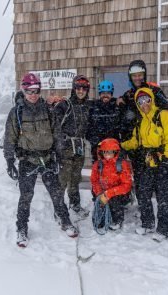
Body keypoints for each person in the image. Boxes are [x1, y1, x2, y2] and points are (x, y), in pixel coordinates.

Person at [3, 73, 79, 247]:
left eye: (36, 90)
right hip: (27, 159)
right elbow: (9, 137)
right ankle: (21, 229)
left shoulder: (47, 109)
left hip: (47, 158)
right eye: (29, 91)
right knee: (26, 196)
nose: (33, 94)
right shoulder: (17, 112)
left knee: (56, 193)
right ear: (24, 90)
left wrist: (59, 155)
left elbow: (57, 133)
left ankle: (65, 220)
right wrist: (9, 160)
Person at [121, 87, 168, 242]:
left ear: (151, 100)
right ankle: (147, 223)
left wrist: (166, 156)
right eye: (140, 101)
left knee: (163, 197)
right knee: (143, 193)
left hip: (166, 163)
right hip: (150, 163)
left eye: (146, 99)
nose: (144, 103)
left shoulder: (163, 115)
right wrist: (121, 146)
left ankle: (162, 230)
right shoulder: (141, 121)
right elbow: (136, 141)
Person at [53, 75, 92, 218]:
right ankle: (58, 209)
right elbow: (54, 125)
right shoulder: (65, 105)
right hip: (65, 147)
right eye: (78, 88)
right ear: (73, 89)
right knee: (62, 180)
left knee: (75, 179)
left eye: (84, 88)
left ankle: (75, 204)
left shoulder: (87, 106)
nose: (81, 91)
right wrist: (57, 146)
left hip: (79, 146)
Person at [86, 80, 133, 162]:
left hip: (115, 147)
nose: (105, 95)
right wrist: (95, 142)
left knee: (116, 172)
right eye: (103, 93)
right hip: (98, 148)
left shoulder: (117, 105)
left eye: (108, 93)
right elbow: (88, 128)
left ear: (111, 94)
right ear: (100, 94)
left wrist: (120, 143)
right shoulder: (93, 107)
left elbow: (126, 123)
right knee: (99, 172)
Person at [90, 138, 132, 230]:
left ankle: (117, 220)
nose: (107, 154)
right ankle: (102, 214)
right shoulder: (97, 164)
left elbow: (127, 185)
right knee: (99, 222)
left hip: (118, 194)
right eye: (105, 152)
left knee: (114, 201)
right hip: (102, 192)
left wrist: (109, 194)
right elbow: (94, 181)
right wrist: (100, 193)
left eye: (110, 152)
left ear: (115, 152)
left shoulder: (122, 164)